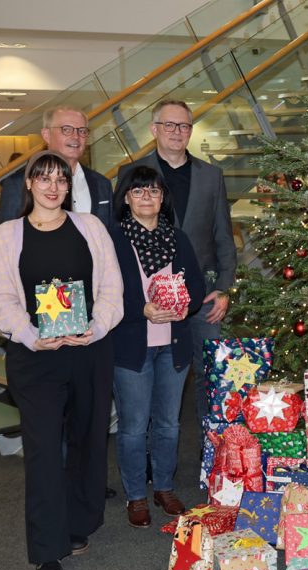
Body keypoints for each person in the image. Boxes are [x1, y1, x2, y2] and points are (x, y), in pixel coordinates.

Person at [0, 151, 123, 570]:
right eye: (42, 178)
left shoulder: (91, 226)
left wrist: (96, 329)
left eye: (60, 179)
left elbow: (111, 286)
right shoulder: (7, 235)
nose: (51, 186)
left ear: (68, 186)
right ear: (28, 184)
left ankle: (79, 523)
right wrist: (29, 334)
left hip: (88, 351)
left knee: (87, 439)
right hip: (34, 359)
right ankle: (47, 548)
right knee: (43, 450)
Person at [116, 100, 237, 422]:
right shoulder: (131, 173)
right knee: (150, 379)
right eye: (169, 125)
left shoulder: (211, 175)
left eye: (183, 126)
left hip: (203, 294)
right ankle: (147, 459)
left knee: (210, 375)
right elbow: (116, 233)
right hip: (147, 295)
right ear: (154, 129)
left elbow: (224, 234)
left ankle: (208, 453)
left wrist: (225, 288)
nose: (176, 132)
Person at [109, 166, 205, 528]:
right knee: (133, 426)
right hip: (132, 347)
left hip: (174, 346)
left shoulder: (178, 239)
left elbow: (194, 285)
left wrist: (185, 303)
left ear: (163, 198)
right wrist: (141, 309)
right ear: (127, 198)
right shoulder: (114, 239)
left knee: (168, 424)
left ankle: (164, 487)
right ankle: (136, 495)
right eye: (138, 191)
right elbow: (104, 292)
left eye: (153, 191)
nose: (146, 197)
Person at [0, 105, 113, 228]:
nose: (76, 137)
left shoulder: (102, 183)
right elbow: (5, 240)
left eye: (82, 131)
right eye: (67, 129)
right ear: (46, 135)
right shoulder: (17, 184)